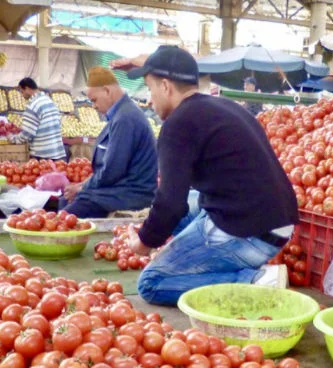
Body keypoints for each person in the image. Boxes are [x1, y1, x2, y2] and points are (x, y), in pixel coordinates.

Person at [125, 46, 299, 306]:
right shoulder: (225, 107)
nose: (150, 100)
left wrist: (144, 242)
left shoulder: (178, 124)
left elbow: (170, 203)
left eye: (150, 90)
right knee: (193, 199)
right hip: (278, 220)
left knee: (152, 283)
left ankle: (255, 282)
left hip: (252, 233)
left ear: (165, 86)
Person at [61, 67, 158, 218]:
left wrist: (82, 188)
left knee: (66, 216)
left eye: (94, 100)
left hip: (130, 194)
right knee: (65, 201)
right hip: (119, 190)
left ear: (107, 91)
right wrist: (82, 186)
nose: (93, 106)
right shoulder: (122, 114)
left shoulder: (125, 119)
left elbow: (112, 171)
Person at [9, 78, 66, 161]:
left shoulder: (32, 106)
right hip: (57, 153)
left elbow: (28, 133)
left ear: (27, 89)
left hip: (42, 155)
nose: (22, 95)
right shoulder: (49, 101)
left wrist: (13, 138)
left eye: (22, 91)